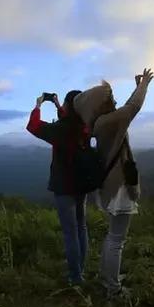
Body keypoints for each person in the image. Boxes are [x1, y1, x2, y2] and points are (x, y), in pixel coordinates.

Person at [73, 68, 154, 298]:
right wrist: (144, 85)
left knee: (112, 236)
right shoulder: (109, 122)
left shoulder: (101, 122)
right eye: (111, 99)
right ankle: (112, 288)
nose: (115, 101)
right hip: (119, 187)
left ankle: (107, 277)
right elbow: (132, 108)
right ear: (102, 105)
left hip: (110, 185)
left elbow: (126, 108)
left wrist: (136, 88)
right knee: (117, 239)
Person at [26, 89, 89, 285]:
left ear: (70, 106)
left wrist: (38, 105)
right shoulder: (85, 126)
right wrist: (57, 104)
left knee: (70, 232)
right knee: (81, 227)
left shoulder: (60, 129)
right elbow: (69, 120)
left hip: (64, 186)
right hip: (83, 183)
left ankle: (75, 277)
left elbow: (33, 126)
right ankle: (80, 270)